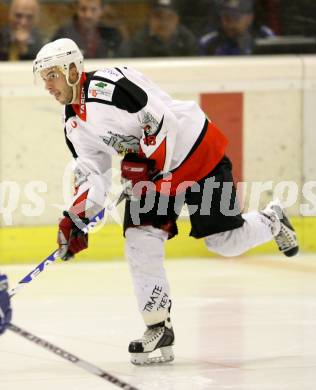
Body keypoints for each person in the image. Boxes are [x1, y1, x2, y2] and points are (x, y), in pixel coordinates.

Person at [33, 38, 298, 365]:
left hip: (194, 151)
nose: (47, 85)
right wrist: (76, 218)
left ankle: (271, 220)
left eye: (52, 75)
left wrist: (151, 163)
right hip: (154, 172)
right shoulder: (73, 123)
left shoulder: (110, 86)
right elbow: (92, 173)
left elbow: (161, 120)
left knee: (225, 242)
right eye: (43, 78)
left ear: (73, 70)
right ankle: (159, 328)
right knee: (139, 237)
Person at [52, 0, 129, 59]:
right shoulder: (62, 35)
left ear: (102, 10)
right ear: (76, 9)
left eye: (93, 9)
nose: (88, 15)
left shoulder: (113, 35)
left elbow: (123, 60)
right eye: (83, 9)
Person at [199, 0, 274, 56]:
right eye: (226, 17)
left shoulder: (265, 37)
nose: (230, 24)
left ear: (249, 18)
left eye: (235, 17)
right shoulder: (209, 43)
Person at [130, 0, 196, 57]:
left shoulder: (187, 40)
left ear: (177, 19)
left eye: (169, 17)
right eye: (158, 16)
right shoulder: (138, 40)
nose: (164, 22)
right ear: (149, 18)